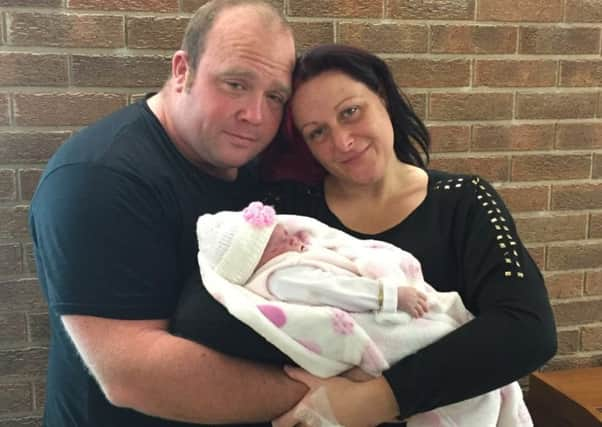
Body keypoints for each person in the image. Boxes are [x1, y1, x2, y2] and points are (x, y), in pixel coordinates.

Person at [28, 1, 313, 426]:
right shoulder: (99, 177)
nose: (255, 115)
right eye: (235, 84)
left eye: (274, 96)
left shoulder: (256, 164)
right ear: (183, 71)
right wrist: (320, 392)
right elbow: (134, 373)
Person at [253, 44, 558, 426]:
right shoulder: (292, 216)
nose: (343, 142)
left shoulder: (465, 202)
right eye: (317, 133)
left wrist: (375, 400)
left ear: (381, 95)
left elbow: (528, 330)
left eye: (351, 112)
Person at [193, 200, 533, 426]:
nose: (294, 238)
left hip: (394, 348)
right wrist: (390, 295)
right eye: (279, 239)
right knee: (451, 358)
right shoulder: (283, 275)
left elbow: (529, 330)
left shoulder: (465, 201)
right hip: (381, 324)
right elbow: (339, 291)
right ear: (257, 259)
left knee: (472, 370)